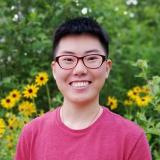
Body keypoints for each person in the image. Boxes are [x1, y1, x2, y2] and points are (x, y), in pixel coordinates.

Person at [15, 17, 152, 160]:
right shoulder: (31, 134)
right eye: (68, 59)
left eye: (91, 58)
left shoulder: (131, 138)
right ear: (54, 70)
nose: (79, 69)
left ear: (107, 68)